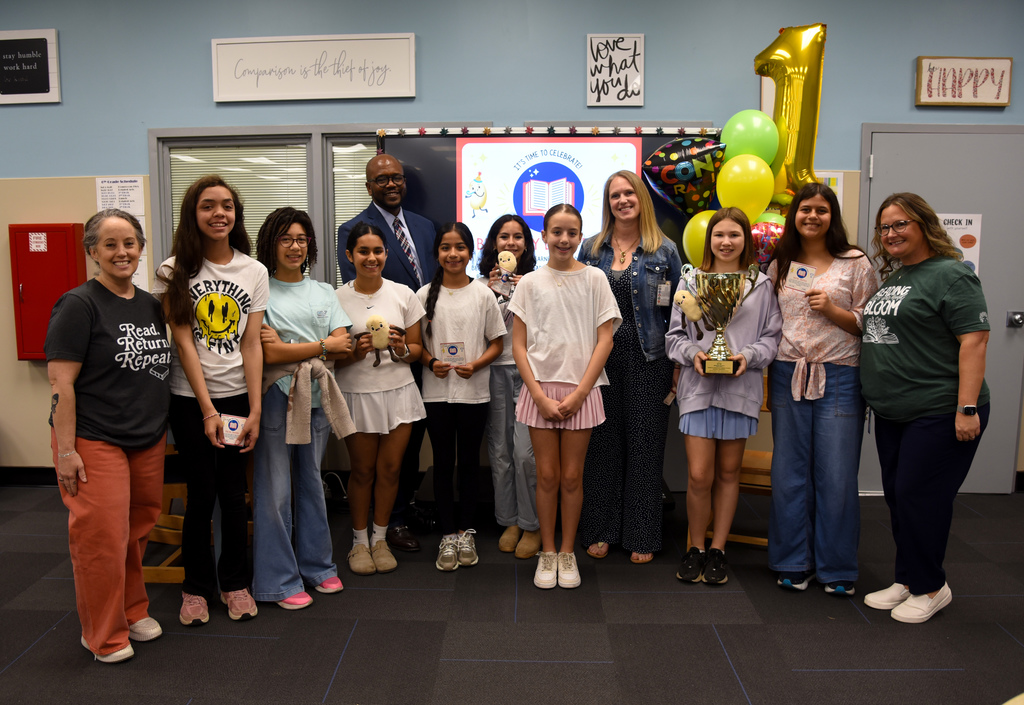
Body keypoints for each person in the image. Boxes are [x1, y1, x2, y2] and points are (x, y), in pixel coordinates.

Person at [46, 209, 172, 663]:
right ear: (92, 252)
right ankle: (102, 634)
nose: (122, 252)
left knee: (136, 531)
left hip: (146, 436)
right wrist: (66, 451)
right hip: (95, 439)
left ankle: (131, 608)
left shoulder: (151, 304)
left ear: (140, 248)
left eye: (130, 243)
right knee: (100, 539)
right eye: (111, 244)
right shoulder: (79, 305)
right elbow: (61, 384)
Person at [860, 192, 990, 624]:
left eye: (901, 224)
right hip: (895, 411)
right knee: (899, 497)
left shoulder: (952, 275)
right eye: (885, 227)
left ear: (924, 226)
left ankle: (932, 587)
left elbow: (974, 340)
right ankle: (908, 578)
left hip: (939, 409)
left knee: (922, 498)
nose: (891, 233)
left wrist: (967, 408)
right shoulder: (897, 277)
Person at [153, 175, 268, 626]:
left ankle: (235, 584)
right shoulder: (172, 270)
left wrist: (254, 408)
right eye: (208, 206)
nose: (219, 213)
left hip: (239, 396)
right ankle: (195, 589)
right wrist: (207, 411)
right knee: (201, 493)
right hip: (188, 399)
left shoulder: (253, 271)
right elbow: (183, 343)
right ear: (193, 214)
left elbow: (252, 344)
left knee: (234, 493)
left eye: (227, 206)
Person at [765, 184, 878, 596]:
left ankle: (837, 568)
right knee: (790, 471)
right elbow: (767, 319)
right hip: (787, 373)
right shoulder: (780, 262)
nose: (812, 216)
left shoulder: (855, 263)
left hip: (841, 376)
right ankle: (794, 561)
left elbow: (872, 323)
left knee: (836, 473)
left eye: (821, 210)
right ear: (794, 215)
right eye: (805, 209)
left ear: (833, 217)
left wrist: (832, 310)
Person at [666, 207, 782, 586]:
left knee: (728, 474)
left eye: (734, 235)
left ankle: (718, 550)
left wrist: (745, 358)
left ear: (745, 240)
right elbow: (675, 338)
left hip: (739, 388)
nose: (726, 242)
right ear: (709, 240)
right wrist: (693, 355)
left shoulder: (760, 285)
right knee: (699, 476)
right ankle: (695, 547)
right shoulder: (690, 281)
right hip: (698, 389)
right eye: (719, 235)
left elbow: (771, 338)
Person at [509, 204, 620, 590]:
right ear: (544, 235)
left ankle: (568, 551)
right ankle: (548, 551)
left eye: (572, 232)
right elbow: (519, 346)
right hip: (540, 391)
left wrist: (582, 392)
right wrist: (538, 396)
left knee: (573, 476)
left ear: (580, 236)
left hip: (581, 389)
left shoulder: (595, 279)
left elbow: (605, 338)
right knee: (548, 475)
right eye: (556, 231)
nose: (564, 239)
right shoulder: (528, 283)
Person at [251, 207, 356, 610]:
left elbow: (344, 343)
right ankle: (278, 580)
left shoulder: (324, 291)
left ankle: (318, 567)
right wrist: (321, 346)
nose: (295, 247)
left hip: (316, 396)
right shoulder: (262, 291)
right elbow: (270, 351)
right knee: (274, 489)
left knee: (311, 482)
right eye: (285, 239)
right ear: (271, 244)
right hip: (276, 395)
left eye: (301, 239)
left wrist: (304, 348)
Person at [577, 170, 683, 564]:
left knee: (644, 448)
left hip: (649, 361)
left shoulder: (665, 251)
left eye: (628, 193)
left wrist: (676, 364)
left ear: (640, 198)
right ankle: (601, 529)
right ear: (608, 204)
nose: (622, 200)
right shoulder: (591, 249)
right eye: (614, 195)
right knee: (601, 448)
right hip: (598, 363)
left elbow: (676, 314)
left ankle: (641, 532)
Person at [338, 154, 437, 553]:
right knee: (368, 464)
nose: (391, 184)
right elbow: (364, 299)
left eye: (396, 177)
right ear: (368, 186)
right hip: (373, 362)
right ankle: (382, 528)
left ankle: (400, 510)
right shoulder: (354, 229)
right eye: (381, 179)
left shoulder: (425, 226)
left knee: (405, 452)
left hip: (423, 349)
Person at [335, 222, 426, 576]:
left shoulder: (404, 294)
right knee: (362, 471)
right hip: (357, 394)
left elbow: (417, 350)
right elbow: (332, 355)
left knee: (391, 470)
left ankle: (381, 538)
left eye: (377, 251)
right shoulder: (338, 298)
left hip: (399, 392)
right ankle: (359, 542)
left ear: (386, 254)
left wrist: (402, 347)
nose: (371, 258)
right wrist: (353, 353)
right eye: (363, 252)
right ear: (350, 256)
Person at [418, 222, 506, 571]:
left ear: (471, 252)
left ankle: (466, 531)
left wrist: (477, 363)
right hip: (436, 393)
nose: (452, 254)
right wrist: (430, 361)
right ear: (437, 253)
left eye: (460, 247)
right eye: (445, 247)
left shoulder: (483, 294)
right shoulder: (423, 295)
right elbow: (414, 345)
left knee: (470, 462)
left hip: (473, 392)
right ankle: (447, 534)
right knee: (442, 463)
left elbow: (497, 343)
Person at [479, 215, 541, 559]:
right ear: (493, 243)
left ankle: (531, 523)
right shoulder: (478, 285)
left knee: (524, 454)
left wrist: (524, 289)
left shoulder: (537, 281)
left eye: (518, 237)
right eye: (504, 237)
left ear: (527, 245)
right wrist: (488, 293)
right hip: (493, 372)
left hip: (529, 373)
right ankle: (509, 520)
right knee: (500, 452)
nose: (511, 243)